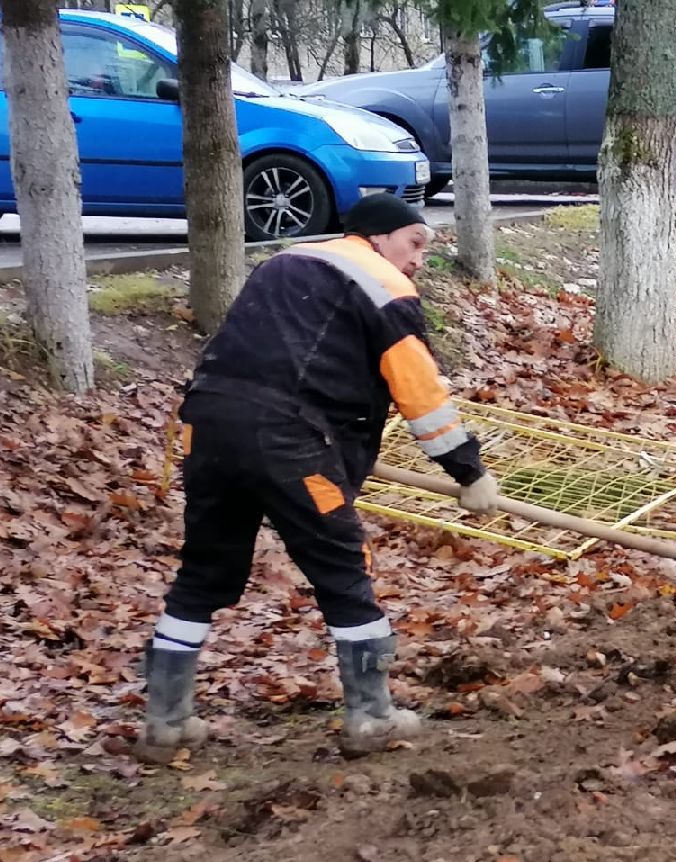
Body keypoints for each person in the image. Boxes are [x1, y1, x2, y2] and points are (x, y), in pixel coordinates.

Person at [137, 193, 498, 763]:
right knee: (344, 570)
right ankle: (374, 716)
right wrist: (468, 470)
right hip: (288, 439)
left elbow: (273, 353)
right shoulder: (385, 285)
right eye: (415, 243)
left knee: (204, 574)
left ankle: (165, 722)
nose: (420, 259)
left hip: (206, 426)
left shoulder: (286, 262)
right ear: (378, 238)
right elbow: (421, 395)